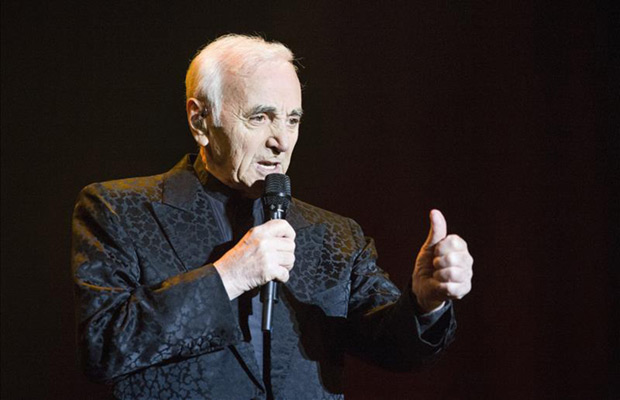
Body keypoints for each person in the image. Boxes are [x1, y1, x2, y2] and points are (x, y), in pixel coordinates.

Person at [72, 34, 474, 400]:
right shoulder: (119, 209)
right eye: (260, 117)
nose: (281, 140)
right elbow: (104, 345)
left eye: (293, 119)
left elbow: (394, 348)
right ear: (200, 120)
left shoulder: (334, 235)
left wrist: (425, 302)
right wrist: (229, 276)